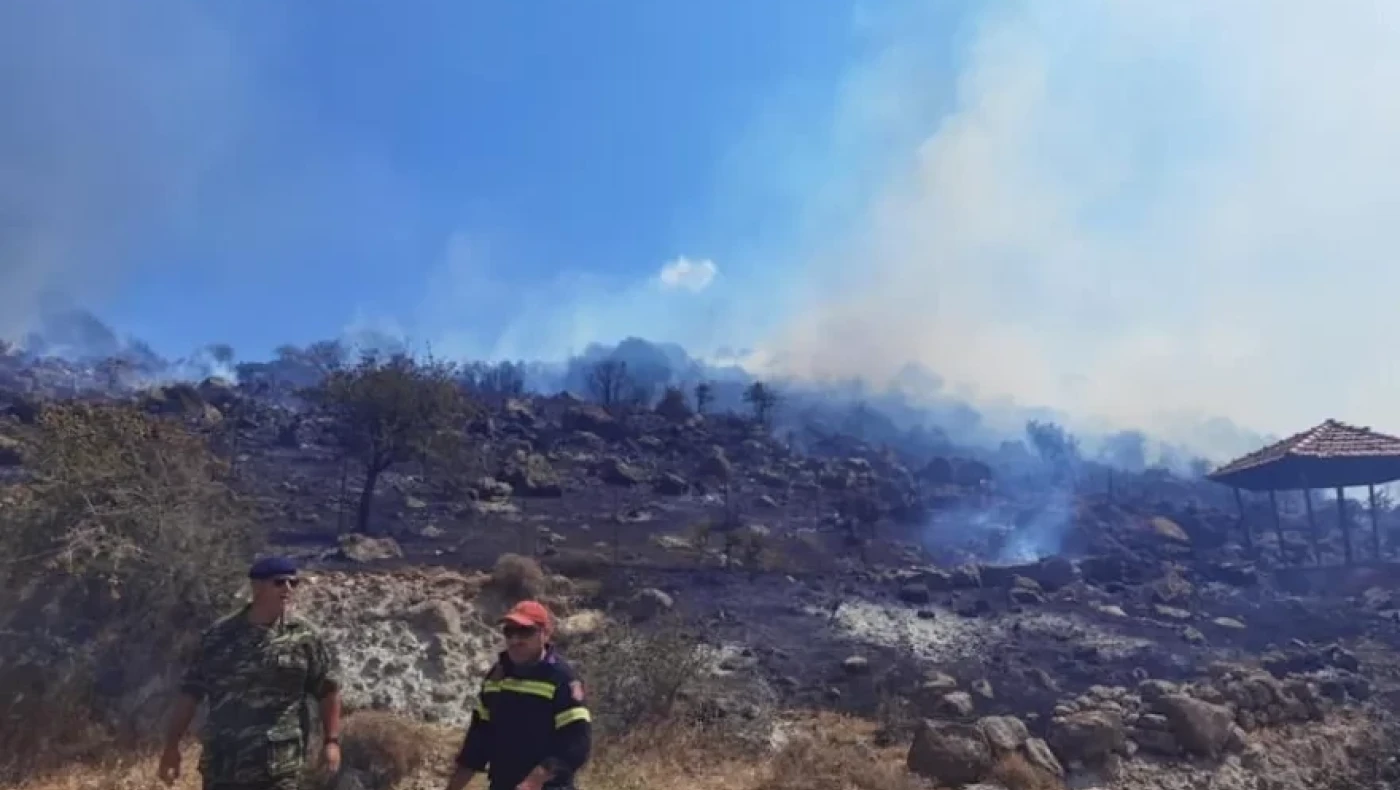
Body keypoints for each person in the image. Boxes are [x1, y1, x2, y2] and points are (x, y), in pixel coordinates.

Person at [158, 556, 343, 790]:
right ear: (257, 587)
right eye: (279, 583)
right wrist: (172, 746)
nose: (287, 589)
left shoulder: (305, 638)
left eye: (293, 583)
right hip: (224, 766)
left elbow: (328, 691)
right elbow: (190, 693)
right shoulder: (219, 637)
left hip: (281, 768)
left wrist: (331, 741)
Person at [445, 600, 592, 790]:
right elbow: (479, 739)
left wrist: (532, 783)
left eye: (524, 632)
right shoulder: (496, 677)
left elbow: (576, 745)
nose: (515, 640)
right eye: (509, 632)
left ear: (545, 633)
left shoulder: (564, 680)